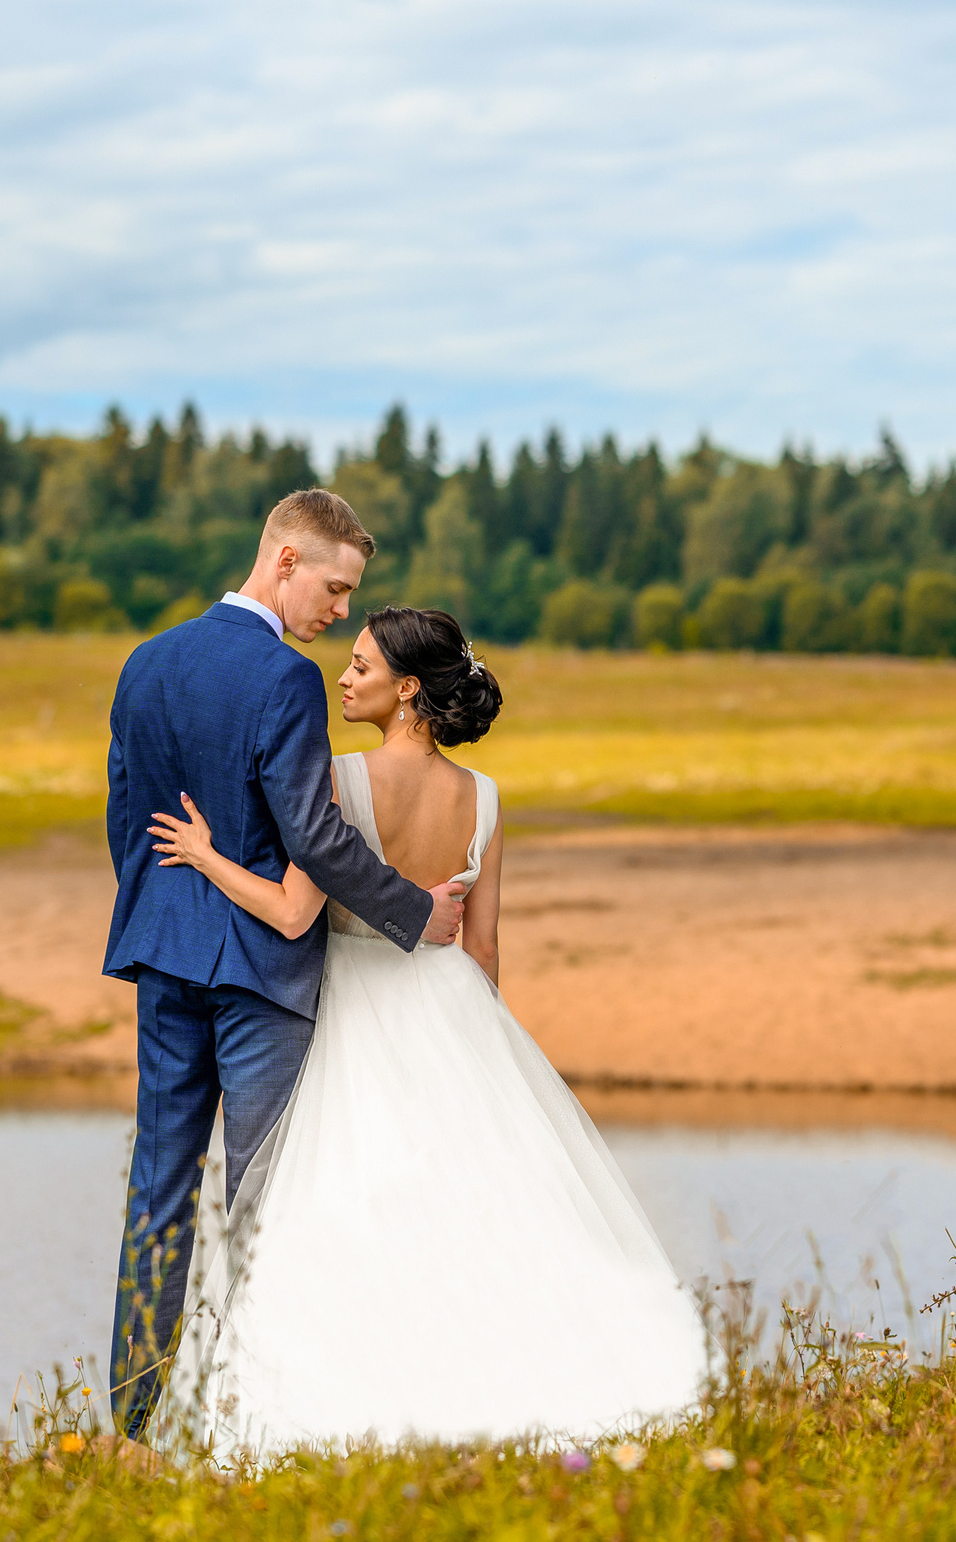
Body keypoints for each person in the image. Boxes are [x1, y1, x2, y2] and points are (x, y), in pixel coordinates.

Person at [148, 605, 708, 1450]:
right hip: (453, 1012)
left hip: (358, 1003)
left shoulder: (336, 779)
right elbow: (482, 951)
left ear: (407, 689)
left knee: (344, 1205)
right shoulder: (483, 798)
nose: (343, 674)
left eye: (362, 664)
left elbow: (297, 915)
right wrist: (482, 1058)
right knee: (472, 1208)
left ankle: (336, 1407)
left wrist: (204, 854)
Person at [102, 490, 469, 1442]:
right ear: (286, 560)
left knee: (159, 1190)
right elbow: (313, 833)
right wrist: (412, 909)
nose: (341, 612)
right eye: (338, 589)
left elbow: (126, 820)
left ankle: (133, 1429)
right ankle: (248, 1426)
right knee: (264, 1196)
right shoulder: (285, 679)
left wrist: (166, 914)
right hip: (263, 974)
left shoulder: (146, 664)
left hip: (165, 958)